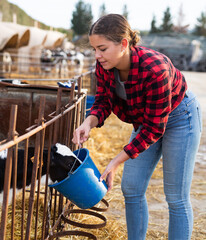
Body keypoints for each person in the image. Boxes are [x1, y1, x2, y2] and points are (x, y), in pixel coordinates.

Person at [72, 14, 202, 240]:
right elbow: (104, 99)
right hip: (146, 120)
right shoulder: (104, 64)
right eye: (94, 49)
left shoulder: (155, 69)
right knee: (131, 188)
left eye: (102, 48)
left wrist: (114, 162)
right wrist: (88, 123)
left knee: (176, 196)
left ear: (124, 44)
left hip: (180, 118)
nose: (97, 55)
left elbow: (154, 129)